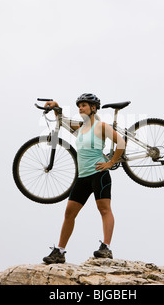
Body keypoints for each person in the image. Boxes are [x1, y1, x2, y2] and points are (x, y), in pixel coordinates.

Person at [42, 93, 126, 264]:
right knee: (69, 213)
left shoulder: (101, 126)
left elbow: (121, 142)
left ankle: (106, 248)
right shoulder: (80, 128)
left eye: (84, 105)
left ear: (93, 108)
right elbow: (63, 120)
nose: (80, 108)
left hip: (98, 173)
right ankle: (60, 251)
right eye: (79, 106)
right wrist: (56, 106)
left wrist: (111, 162)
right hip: (82, 177)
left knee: (104, 209)